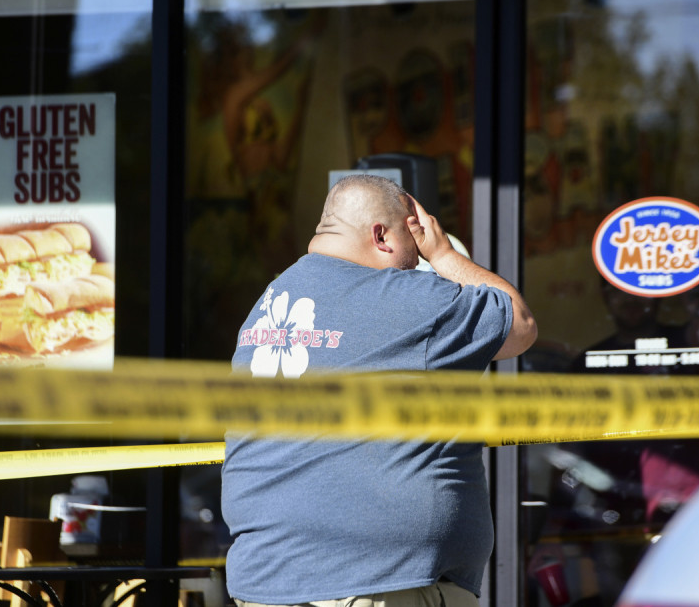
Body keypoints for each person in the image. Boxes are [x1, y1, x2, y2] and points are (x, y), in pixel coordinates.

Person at [222, 174, 537, 607]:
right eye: (414, 248)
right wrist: (442, 253)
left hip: (267, 585)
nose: (417, 264)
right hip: (374, 586)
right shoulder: (405, 298)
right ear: (382, 236)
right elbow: (519, 326)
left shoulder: (266, 307)